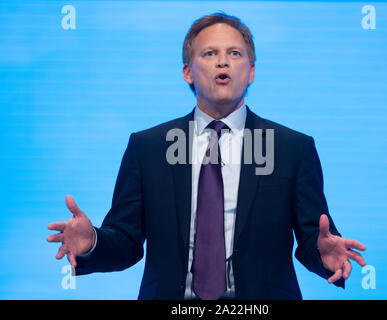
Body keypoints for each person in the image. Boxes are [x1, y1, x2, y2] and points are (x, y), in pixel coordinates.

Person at [47, 12, 366, 300]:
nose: (223, 62)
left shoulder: (292, 148)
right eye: (210, 53)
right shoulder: (148, 147)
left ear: (251, 71)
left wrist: (325, 255)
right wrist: (92, 242)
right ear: (188, 72)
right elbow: (126, 241)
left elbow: (315, 238)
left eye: (235, 54)